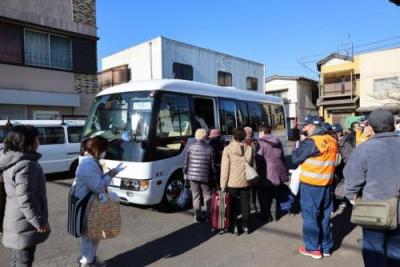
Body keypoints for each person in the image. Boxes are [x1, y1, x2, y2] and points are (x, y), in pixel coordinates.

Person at [344, 109, 400, 267]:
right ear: (393, 125)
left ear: (371, 127)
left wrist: (352, 197)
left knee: (373, 252)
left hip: (374, 210)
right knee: (396, 251)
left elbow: (352, 181)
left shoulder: (364, 149)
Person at [0, 125, 50, 267]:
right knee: (24, 261)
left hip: (15, 219)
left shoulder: (10, 159)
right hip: (24, 224)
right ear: (27, 143)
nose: (38, 141)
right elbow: (26, 198)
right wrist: (39, 222)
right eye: (36, 138)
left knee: (17, 259)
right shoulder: (26, 165)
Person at [292, 115, 338, 259]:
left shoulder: (312, 141)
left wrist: (301, 142)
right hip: (327, 185)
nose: (304, 128)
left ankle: (313, 249)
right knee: (324, 217)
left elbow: (295, 158)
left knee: (310, 216)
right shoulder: (331, 140)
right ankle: (325, 247)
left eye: (305, 125)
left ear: (312, 126)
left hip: (311, 185)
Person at [74, 136, 119, 267]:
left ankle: (91, 259)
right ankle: (86, 262)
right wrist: (110, 176)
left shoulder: (92, 161)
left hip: (92, 203)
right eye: (104, 150)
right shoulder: (88, 164)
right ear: (98, 149)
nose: (105, 153)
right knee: (89, 236)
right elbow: (98, 186)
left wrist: (107, 174)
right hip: (87, 204)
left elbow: (96, 180)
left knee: (95, 233)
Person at [221, 127, 255, 235]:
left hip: (232, 182)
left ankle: (235, 226)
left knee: (233, 204)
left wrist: (223, 185)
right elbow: (252, 165)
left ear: (233, 136)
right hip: (246, 181)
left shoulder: (228, 149)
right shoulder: (249, 148)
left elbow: (225, 169)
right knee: (245, 204)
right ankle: (246, 226)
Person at [256, 126, 288, 221]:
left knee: (264, 194)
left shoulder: (261, 142)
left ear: (262, 131)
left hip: (266, 172)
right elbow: (282, 156)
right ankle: (274, 214)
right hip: (278, 171)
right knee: (274, 193)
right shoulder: (278, 141)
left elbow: (259, 158)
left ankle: (266, 215)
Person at [184, 128, 216, 223]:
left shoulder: (190, 147)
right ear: (205, 136)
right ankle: (208, 216)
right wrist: (214, 173)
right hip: (205, 175)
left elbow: (186, 162)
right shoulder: (209, 148)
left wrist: (185, 172)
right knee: (207, 195)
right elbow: (213, 164)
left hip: (192, 176)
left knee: (196, 196)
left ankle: (197, 217)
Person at [243, 126, 259, 214]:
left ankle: (251, 206)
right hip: (256, 170)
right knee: (255, 190)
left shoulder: (243, 144)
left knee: (249, 190)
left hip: (248, 170)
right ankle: (256, 206)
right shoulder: (256, 143)